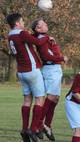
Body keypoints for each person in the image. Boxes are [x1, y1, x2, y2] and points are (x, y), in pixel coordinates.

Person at [6, 13, 50, 142]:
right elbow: (38, 42)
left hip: (21, 72)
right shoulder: (21, 33)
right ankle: (33, 128)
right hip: (32, 70)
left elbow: (29, 40)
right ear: (18, 23)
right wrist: (46, 37)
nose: (24, 22)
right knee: (39, 99)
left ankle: (24, 129)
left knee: (27, 100)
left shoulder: (10, 35)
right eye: (22, 20)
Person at [31, 19, 68, 141]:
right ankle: (38, 125)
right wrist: (62, 58)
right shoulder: (42, 39)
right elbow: (46, 56)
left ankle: (47, 125)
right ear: (38, 28)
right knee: (51, 97)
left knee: (55, 99)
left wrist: (54, 44)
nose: (46, 24)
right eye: (43, 24)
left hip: (55, 69)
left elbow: (55, 52)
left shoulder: (46, 38)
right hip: (51, 70)